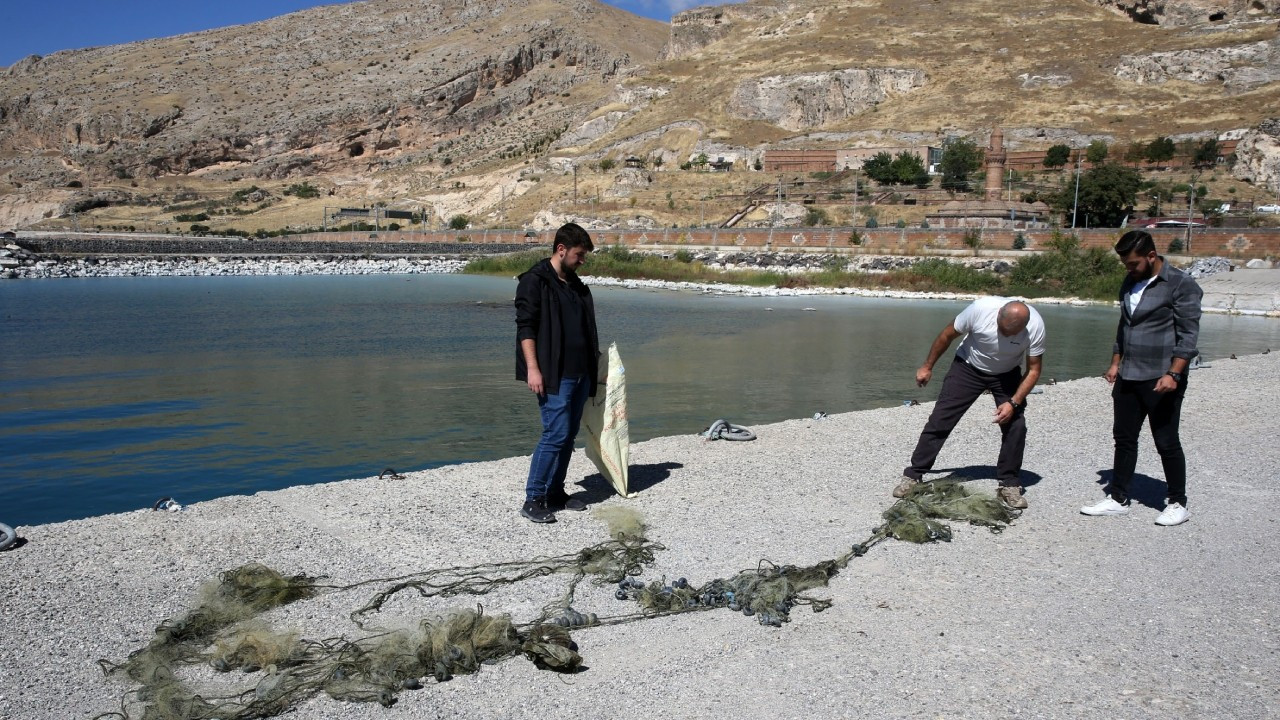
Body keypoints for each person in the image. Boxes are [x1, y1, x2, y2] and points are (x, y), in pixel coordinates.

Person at [1081, 230, 1202, 526]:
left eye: (1133, 263)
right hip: (1129, 374)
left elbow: (1188, 335)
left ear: (1151, 256)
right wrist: (1115, 362)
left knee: (1166, 439)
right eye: (1125, 264)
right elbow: (1125, 325)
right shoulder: (1131, 280)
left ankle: (1177, 502)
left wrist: (1174, 373)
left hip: (1162, 376)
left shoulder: (1181, 284)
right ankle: (1118, 498)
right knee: (1123, 438)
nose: (1129, 269)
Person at [895, 297, 1045, 508]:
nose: (1007, 336)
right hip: (968, 368)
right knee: (941, 420)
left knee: (1016, 426)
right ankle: (914, 475)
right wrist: (928, 366)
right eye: (1004, 330)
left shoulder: (1035, 326)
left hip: (1007, 374)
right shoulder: (979, 310)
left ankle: (1009, 484)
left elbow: (1034, 370)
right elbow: (946, 335)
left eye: (1013, 334)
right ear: (998, 314)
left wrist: (1013, 402)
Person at [514, 223, 600, 523]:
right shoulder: (535, 281)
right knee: (555, 434)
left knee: (568, 435)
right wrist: (533, 370)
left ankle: (555, 492)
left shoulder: (575, 284)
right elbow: (526, 328)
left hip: (580, 374)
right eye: (579, 255)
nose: (582, 261)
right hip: (553, 374)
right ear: (561, 250)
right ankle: (533, 498)